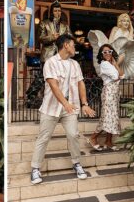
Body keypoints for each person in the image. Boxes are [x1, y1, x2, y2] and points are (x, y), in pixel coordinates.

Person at [30, 33, 96, 186]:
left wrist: (84, 103)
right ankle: (35, 168)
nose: (75, 48)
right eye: (73, 45)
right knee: (43, 137)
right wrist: (65, 103)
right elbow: (53, 86)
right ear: (66, 45)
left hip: (70, 107)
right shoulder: (50, 63)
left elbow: (81, 84)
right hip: (51, 107)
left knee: (73, 135)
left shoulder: (75, 64)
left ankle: (77, 163)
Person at [89, 44, 124, 151]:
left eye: (109, 51)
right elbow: (116, 77)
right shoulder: (104, 64)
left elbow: (122, 75)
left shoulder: (111, 64)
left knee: (113, 117)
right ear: (101, 54)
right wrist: (116, 67)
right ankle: (93, 137)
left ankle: (108, 141)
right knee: (107, 116)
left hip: (114, 93)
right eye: (105, 52)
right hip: (109, 92)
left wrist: (116, 65)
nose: (108, 53)